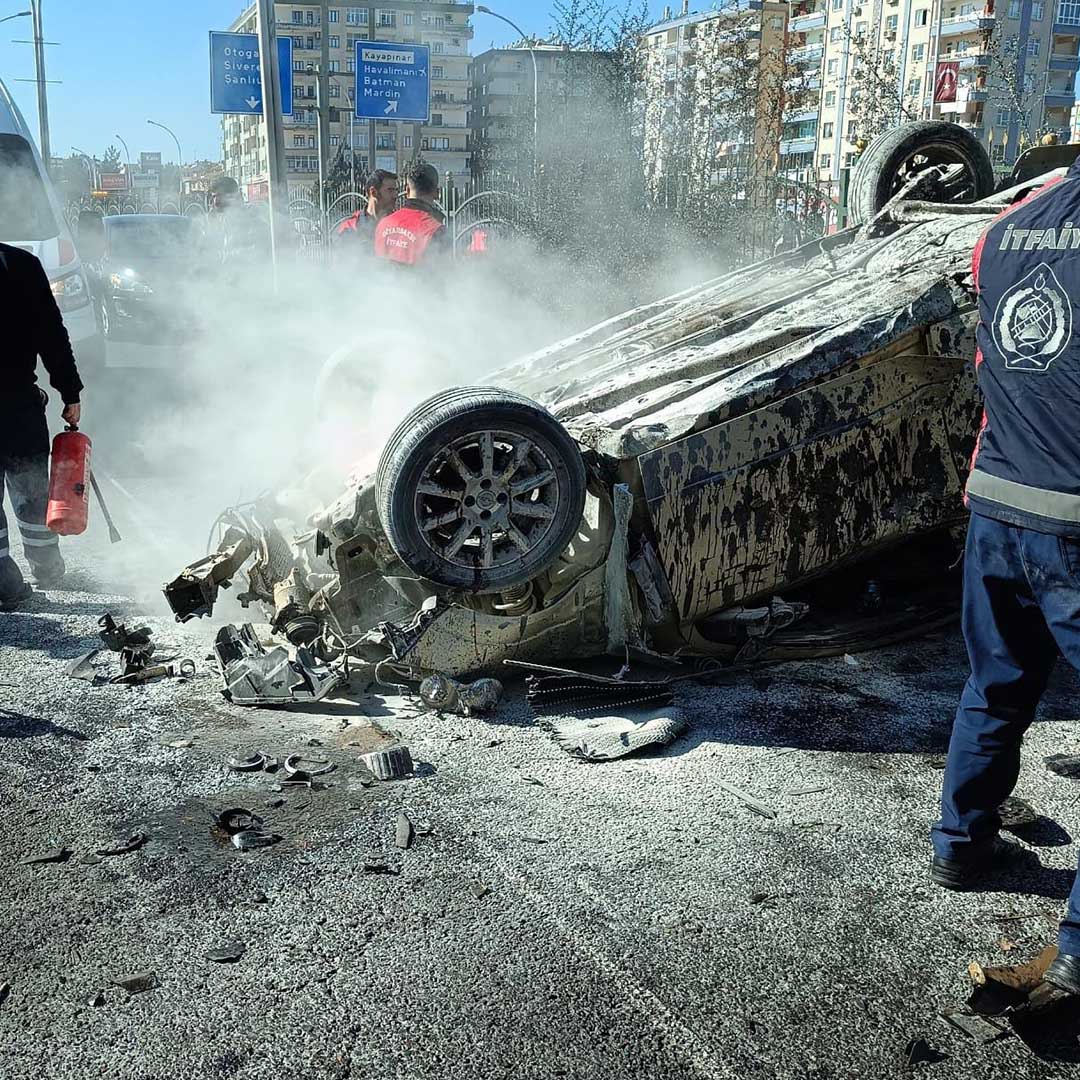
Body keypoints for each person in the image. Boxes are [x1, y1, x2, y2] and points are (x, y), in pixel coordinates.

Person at [930, 158, 1080, 996]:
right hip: (1074, 515)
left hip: (997, 502)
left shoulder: (1007, 228)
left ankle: (961, 844)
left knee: (996, 683)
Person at [0, 242, 83, 610]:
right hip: (18, 404)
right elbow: (51, 332)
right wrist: (69, 391)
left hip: (18, 401)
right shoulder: (21, 265)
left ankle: (4, 584)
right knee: (31, 487)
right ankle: (46, 566)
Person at [374, 161, 448, 267]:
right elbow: (444, 277)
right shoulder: (436, 230)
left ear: (407, 190)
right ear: (437, 193)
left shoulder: (384, 223)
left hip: (380, 283)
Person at [333, 168, 397, 260]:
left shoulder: (400, 226)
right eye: (390, 190)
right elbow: (339, 266)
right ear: (373, 192)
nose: (395, 195)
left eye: (396, 190)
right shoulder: (350, 227)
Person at [206, 175, 270, 265]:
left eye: (220, 196)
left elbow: (258, 251)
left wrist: (225, 259)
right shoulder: (221, 221)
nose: (215, 202)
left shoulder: (253, 216)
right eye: (214, 197)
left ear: (235, 196)